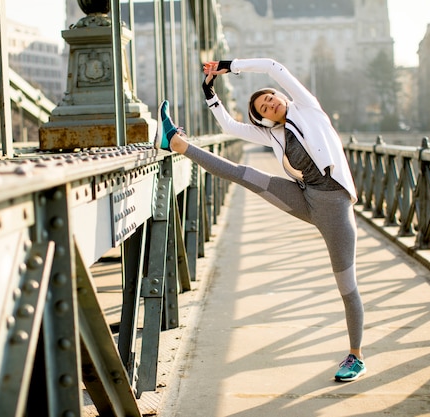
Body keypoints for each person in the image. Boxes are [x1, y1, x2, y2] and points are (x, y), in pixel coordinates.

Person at [154, 58, 366, 382]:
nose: (271, 104)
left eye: (270, 99)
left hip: (335, 205)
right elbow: (229, 128)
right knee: (247, 175)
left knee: (347, 287)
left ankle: (356, 355)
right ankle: (177, 142)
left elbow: (272, 67)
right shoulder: (275, 136)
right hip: (306, 197)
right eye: (264, 108)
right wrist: (210, 93)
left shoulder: (307, 108)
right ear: (264, 119)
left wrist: (229, 66)